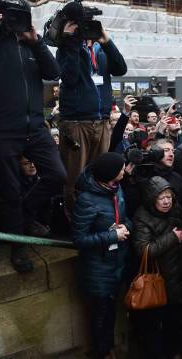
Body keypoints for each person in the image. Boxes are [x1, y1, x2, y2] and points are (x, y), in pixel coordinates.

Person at [0, 0, 66, 273]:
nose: (15, 22)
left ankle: (22, 215)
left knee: (56, 175)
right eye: (11, 16)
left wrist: (37, 41)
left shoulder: (31, 45)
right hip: (1, 130)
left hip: (35, 126)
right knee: (9, 190)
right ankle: (19, 247)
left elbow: (54, 72)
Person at [55, 20, 127, 218]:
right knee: (75, 178)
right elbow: (68, 77)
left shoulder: (101, 49)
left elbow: (121, 69)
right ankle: (75, 225)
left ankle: (99, 219)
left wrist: (106, 41)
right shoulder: (67, 47)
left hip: (102, 122)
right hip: (76, 123)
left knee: (101, 176)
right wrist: (70, 41)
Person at [73, 152, 132, 359]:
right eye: (121, 168)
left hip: (117, 264)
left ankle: (108, 348)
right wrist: (111, 236)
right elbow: (79, 239)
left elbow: (126, 218)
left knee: (111, 312)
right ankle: (102, 352)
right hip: (98, 269)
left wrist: (126, 226)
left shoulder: (116, 189)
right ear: (110, 174)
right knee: (101, 315)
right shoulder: (86, 199)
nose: (124, 171)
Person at [131, 176, 182, 359]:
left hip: (177, 277)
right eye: (162, 198)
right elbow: (144, 250)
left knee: (174, 323)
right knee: (153, 328)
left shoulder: (175, 209)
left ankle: (173, 352)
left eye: (169, 196)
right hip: (157, 281)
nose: (167, 201)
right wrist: (172, 238)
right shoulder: (142, 217)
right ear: (152, 198)